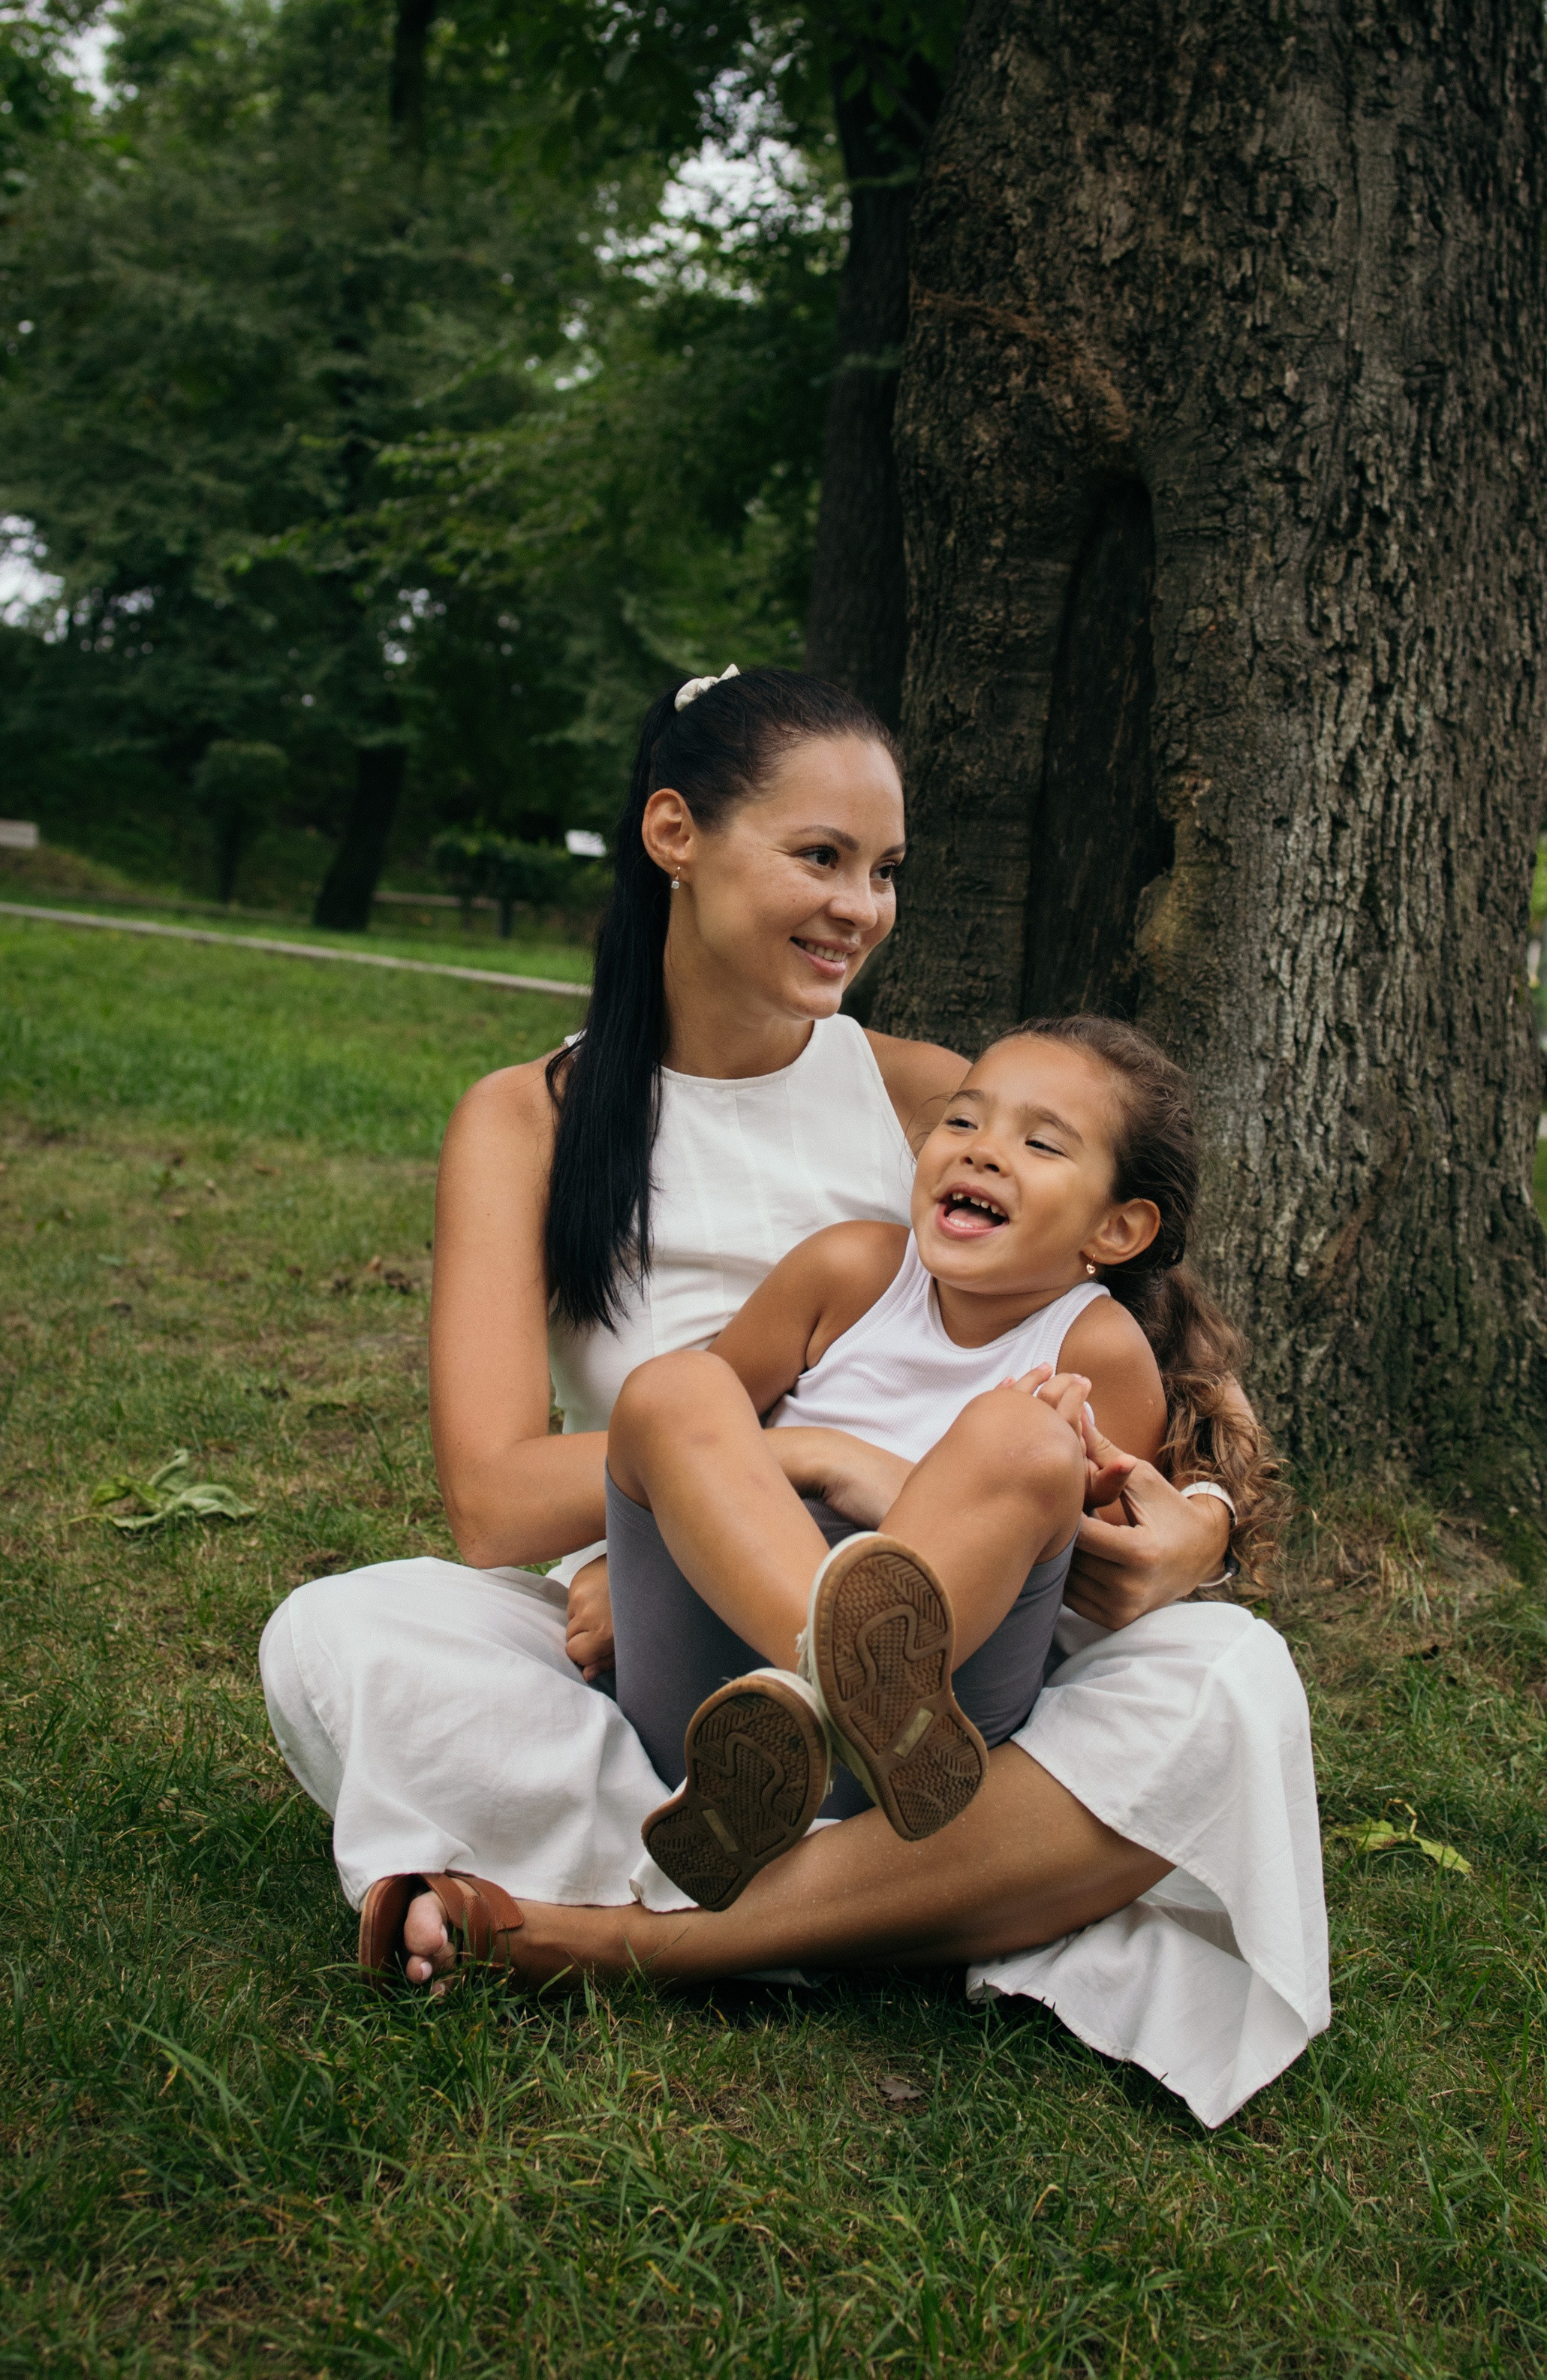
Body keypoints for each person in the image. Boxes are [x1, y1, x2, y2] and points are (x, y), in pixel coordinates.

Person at [259, 664, 1328, 2131]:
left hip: (942, 1614)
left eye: (883, 870)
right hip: (672, 1607)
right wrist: (751, 1479)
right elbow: (494, 1498)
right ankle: (895, 1876)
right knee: (336, 1634)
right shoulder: (528, 1120)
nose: (859, 908)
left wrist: (1192, 1530)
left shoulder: (933, 1098)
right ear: (675, 834)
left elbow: (1148, 1367)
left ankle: (658, 1918)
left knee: (1229, 1682)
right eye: (818, 857)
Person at [612, 1013, 1281, 1914]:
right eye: (962, 1122)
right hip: (710, 1699)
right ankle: (824, 1692)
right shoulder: (846, 1269)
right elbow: (687, 1445)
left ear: (1117, 1228)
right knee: (673, 1385)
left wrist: (899, 1485)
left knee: (1023, 1434)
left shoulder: (1095, 1348)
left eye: (1041, 1142)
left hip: (924, 1749)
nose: (982, 1152)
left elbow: (1079, 1569)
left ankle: (848, 1701)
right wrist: (818, 1460)